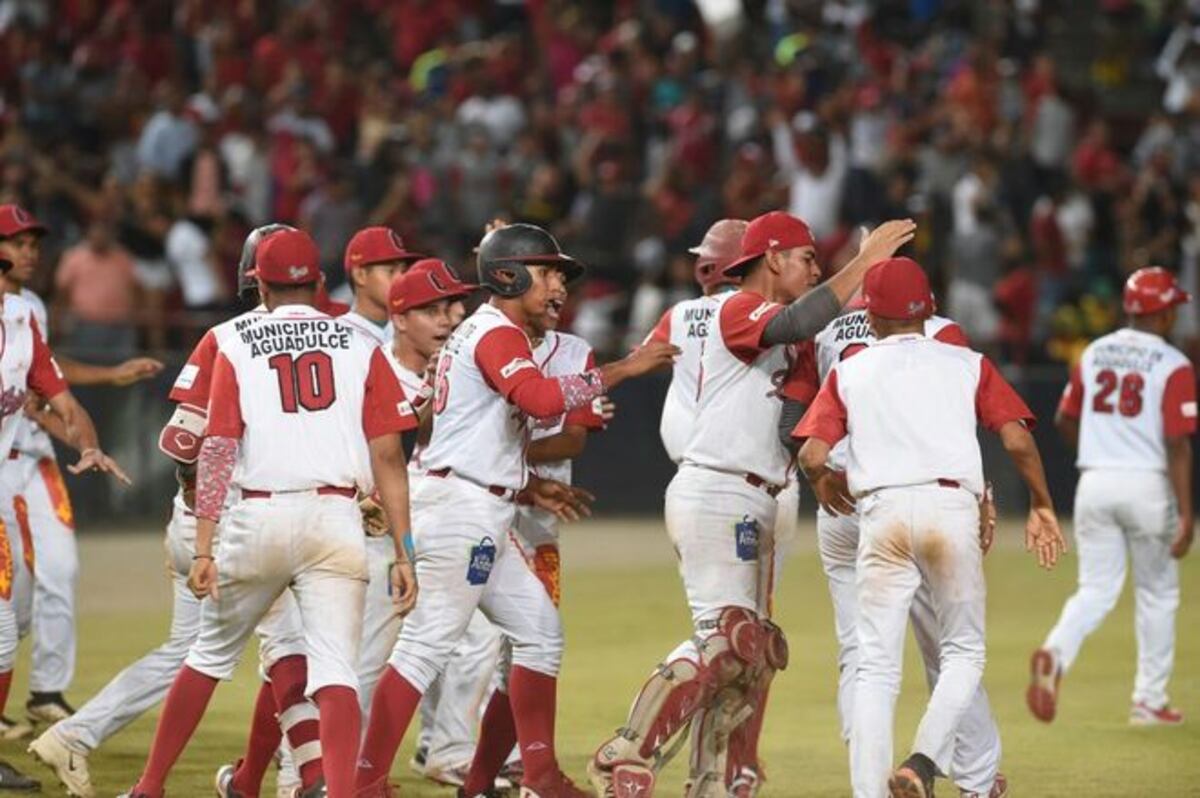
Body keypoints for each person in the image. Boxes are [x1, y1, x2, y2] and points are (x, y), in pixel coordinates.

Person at [589, 211, 915, 798]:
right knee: (727, 638)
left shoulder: (791, 339)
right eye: (807, 258)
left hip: (758, 495)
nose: (816, 270)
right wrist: (861, 264)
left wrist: (829, 466)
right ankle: (628, 748)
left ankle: (710, 782)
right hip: (717, 488)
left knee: (754, 655)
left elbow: (794, 422)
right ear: (771, 259)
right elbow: (794, 318)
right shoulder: (734, 308)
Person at [354, 223, 678, 798]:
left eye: (560, 276)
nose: (559, 286)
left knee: (539, 635)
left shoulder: (492, 333)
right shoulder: (495, 332)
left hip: (479, 503)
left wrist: (526, 486)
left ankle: (539, 772)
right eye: (548, 272)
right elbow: (541, 400)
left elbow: (478, 438)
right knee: (427, 645)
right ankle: (364, 782)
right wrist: (626, 368)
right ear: (508, 275)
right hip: (460, 511)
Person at [120, 228, 419, 798]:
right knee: (335, 673)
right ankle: (338, 790)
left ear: (258, 281)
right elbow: (388, 454)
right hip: (337, 519)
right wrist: (405, 552)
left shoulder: (228, 339)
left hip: (258, 517)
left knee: (209, 656)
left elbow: (215, 445)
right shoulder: (360, 346)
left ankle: (150, 787)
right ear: (318, 280)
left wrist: (204, 543)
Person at [28, 225, 306, 798]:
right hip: (235, 526)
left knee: (188, 652)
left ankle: (74, 737)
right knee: (293, 648)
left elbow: (181, 440)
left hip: (196, 520)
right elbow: (190, 446)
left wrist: (191, 516)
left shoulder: (223, 337)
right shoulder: (299, 342)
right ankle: (300, 777)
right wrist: (212, 525)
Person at [794, 257, 1066, 798]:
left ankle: (870, 793)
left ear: (870, 318)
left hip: (881, 515)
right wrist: (1040, 502)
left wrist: (822, 479)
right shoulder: (967, 363)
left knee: (873, 667)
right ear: (933, 310)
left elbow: (813, 451)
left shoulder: (851, 370)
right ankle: (921, 762)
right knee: (962, 652)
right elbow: (1015, 438)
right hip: (949, 510)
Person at [637, 217, 800, 795]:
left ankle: (720, 773)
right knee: (738, 639)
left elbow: (647, 356)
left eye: (706, 257)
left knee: (743, 641)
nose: (700, 265)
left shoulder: (680, 314)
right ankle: (724, 764)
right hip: (733, 483)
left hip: (719, 478)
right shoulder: (757, 314)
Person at [0, 203, 162, 736]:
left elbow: (50, 385)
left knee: (45, 584)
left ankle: (45, 691)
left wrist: (87, 435)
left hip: (33, 456)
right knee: (8, 607)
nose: (30, 251)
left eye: (33, 242)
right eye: (18, 242)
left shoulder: (29, 312)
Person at [1028, 267, 1196, 727]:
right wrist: (1186, 514)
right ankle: (1148, 700)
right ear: (1162, 315)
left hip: (1095, 482)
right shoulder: (1173, 364)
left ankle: (1056, 653)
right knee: (1158, 593)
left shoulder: (1095, 352)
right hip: (1146, 484)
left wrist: (1101, 445)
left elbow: (1064, 421)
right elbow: (1179, 444)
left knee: (1096, 590)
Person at [0, 258, 128, 790]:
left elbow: (66, 404)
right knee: (4, 628)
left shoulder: (21, 326)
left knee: (7, 626)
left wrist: (91, 444)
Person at [338, 226, 424, 344]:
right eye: (391, 271)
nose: (401, 278)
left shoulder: (416, 333)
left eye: (403, 271)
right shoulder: (337, 336)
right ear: (360, 276)